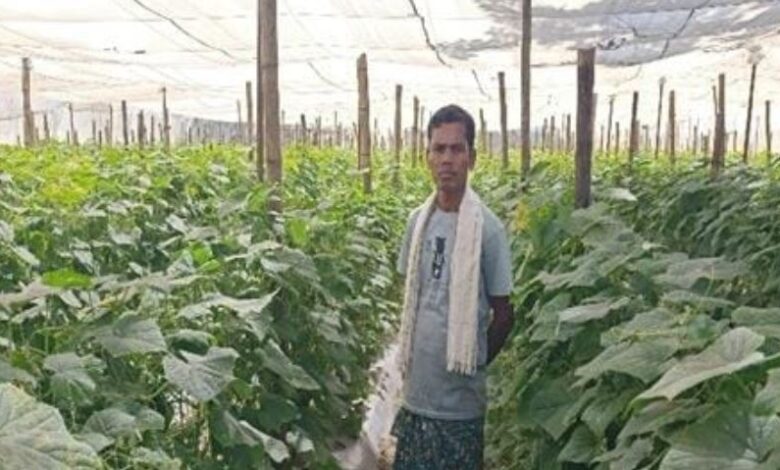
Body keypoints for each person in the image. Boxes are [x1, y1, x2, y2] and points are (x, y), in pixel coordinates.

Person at [391, 104, 514, 469]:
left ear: (472, 158)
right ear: (427, 157)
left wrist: (473, 360)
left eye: (457, 149)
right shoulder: (417, 223)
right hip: (416, 397)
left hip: (461, 408)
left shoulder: (488, 230)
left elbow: (504, 315)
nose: (447, 159)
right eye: (439, 149)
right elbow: (411, 296)